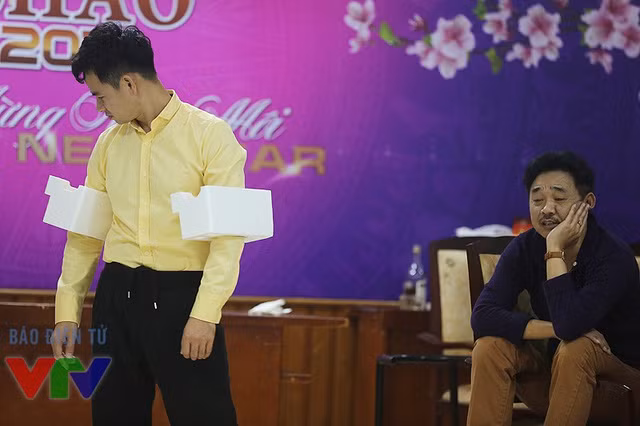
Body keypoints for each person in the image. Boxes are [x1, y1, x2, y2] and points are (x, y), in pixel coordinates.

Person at [50, 21, 246, 426]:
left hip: (183, 298)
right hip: (116, 297)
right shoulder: (107, 144)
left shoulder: (211, 136)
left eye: (100, 97)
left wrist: (205, 313)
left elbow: (228, 239)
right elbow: (85, 235)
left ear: (129, 83)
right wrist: (67, 310)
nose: (99, 109)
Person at [467, 151, 640, 425]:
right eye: (537, 200)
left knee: (578, 347)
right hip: (554, 382)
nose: (546, 209)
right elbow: (482, 316)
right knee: (489, 347)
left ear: (588, 203)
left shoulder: (612, 256)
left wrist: (555, 250)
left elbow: (569, 326)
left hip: (621, 389)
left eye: (559, 199)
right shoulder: (524, 247)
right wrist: (551, 329)